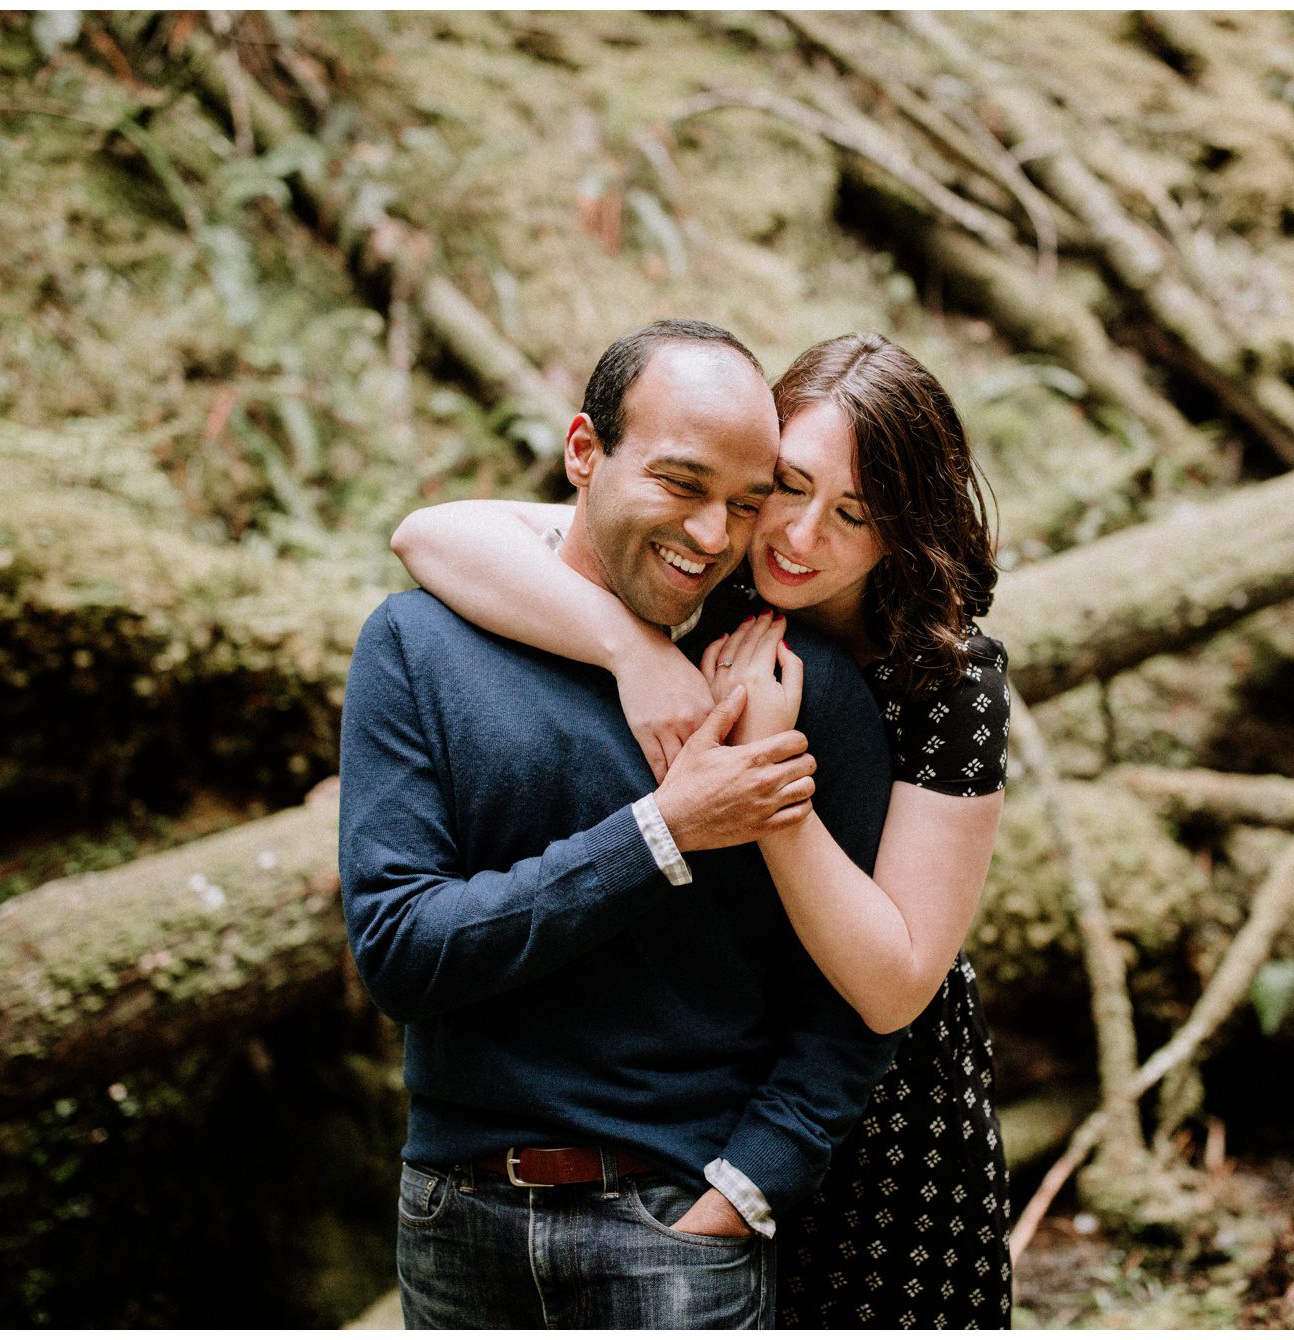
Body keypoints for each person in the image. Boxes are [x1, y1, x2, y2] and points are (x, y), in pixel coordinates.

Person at [392, 332, 1013, 1328]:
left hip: (879, 1109)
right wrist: (630, 651)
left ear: (900, 529)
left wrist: (766, 777)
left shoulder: (950, 678)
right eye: (784, 486)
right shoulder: (700, 565)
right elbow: (429, 535)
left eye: (852, 514)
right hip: (698, 1109)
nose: (799, 537)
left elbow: (893, 979)